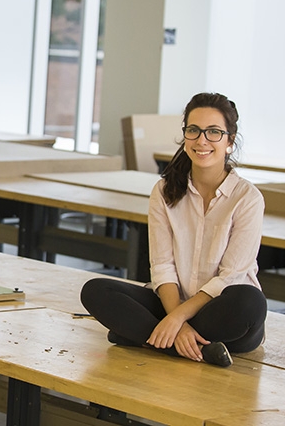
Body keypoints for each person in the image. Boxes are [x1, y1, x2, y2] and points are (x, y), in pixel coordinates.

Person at [80, 92, 267, 367]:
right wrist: (176, 318)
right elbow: (163, 267)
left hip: (224, 315)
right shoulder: (165, 191)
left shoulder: (247, 199)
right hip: (172, 302)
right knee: (94, 290)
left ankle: (146, 335)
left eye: (214, 132)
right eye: (194, 130)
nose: (202, 140)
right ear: (185, 136)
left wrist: (176, 320)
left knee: (250, 302)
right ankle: (194, 348)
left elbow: (230, 277)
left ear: (230, 142)